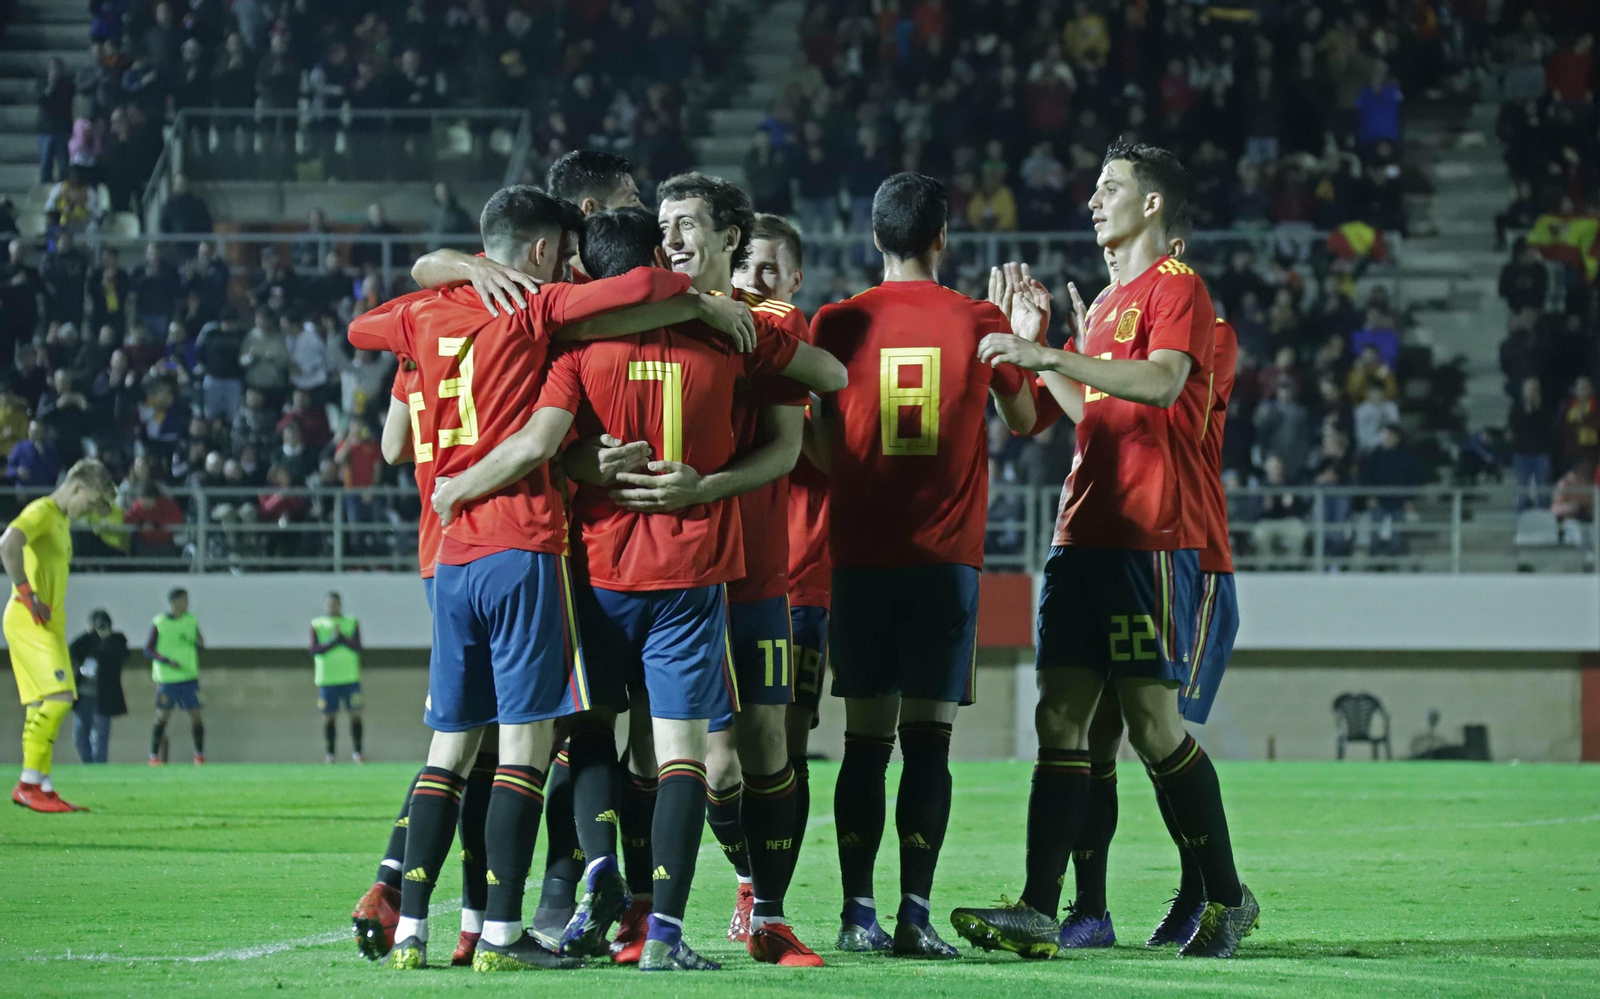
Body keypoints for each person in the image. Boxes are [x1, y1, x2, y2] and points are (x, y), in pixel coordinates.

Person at [347, 184, 752, 974]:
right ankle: (504, 932)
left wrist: (452, 267)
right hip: (525, 544)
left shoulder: (422, 316)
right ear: (541, 253)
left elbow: (367, 335)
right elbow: (644, 291)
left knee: (452, 747)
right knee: (526, 750)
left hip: (448, 551)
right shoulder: (539, 313)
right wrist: (702, 304)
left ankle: (418, 926)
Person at [427, 202, 835, 972]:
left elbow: (548, 444)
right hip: (693, 572)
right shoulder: (727, 335)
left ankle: (594, 883)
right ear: (655, 256)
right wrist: (732, 320)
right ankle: (667, 931)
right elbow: (832, 374)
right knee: (686, 756)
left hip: (597, 570)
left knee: (588, 743)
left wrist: (473, 486)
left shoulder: (579, 343)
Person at [952, 139, 1257, 959]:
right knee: (1061, 719)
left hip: (1147, 535)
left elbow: (1160, 385)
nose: (1093, 199)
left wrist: (1050, 351)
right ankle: (1041, 908)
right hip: (1080, 533)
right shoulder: (1111, 307)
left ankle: (1227, 898)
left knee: (1154, 726)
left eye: (1110, 187)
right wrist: (1029, 346)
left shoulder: (1177, 288)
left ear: (1151, 204)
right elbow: (1080, 415)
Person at [810, 172, 1034, 957]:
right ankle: (914, 912)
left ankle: (855, 912)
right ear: (942, 236)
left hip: (862, 559)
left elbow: (808, 434)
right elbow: (1026, 417)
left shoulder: (835, 321)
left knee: (863, 740)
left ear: (875, 237)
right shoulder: (977, 318)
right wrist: (1023, 330)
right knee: (928, 743)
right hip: (944, 562)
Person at [733, 214, 826, 937]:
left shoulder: (781, 323)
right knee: (715, 758)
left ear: (795, 280)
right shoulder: (730, 327)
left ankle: (770, 903)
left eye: (772, 270)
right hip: (728, 572)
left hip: (795, 579)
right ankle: (752, 882)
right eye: (747, 265)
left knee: (782, 745)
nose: (757, 282)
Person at [4, 458, 116, 812]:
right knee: (61, 697)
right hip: (30, 619)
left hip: (45, 621)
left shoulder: (61, 521)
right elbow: (8, 543)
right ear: (77, 487)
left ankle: (43, 784)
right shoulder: (42, 511)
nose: (88, 512)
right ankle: (27, 784)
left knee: (41, 705)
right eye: (90, 502)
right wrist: (25, 592)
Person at [147, 587, 205, 765]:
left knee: (196, 716)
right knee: (162, 717)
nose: (187, 604)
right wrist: (166, 660)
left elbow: (200, 641)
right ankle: (153, 757)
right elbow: (148, 649)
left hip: (188, 677)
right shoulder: (160, 622)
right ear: (174, 602)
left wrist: (199, 642)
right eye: (184, 600)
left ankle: (199, 756)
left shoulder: (191, 620)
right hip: (167, 679)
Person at [310, 591, 365, 764]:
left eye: (335, 603)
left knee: (355, 714)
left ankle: (357, 753)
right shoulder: (317, 624)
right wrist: (333, 641)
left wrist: (342, 638)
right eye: (329, 604)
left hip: (350, 677)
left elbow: (357, 646)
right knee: (328, 717)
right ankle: (330, 755)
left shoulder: (351, 622)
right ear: (325, 605)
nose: (332, 606)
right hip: (327, 680)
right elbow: (314, 650)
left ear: (340, 604)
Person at [69, 608, 129, 764]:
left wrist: (106, 638)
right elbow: (72, 650)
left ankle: (100, 765)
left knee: (101, 734)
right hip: (83, 695)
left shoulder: (117, 640)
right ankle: (88, 763)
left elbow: (122, 655)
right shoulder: (86, 642)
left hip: (104, 695)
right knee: (79, 734)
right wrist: (89, 633)